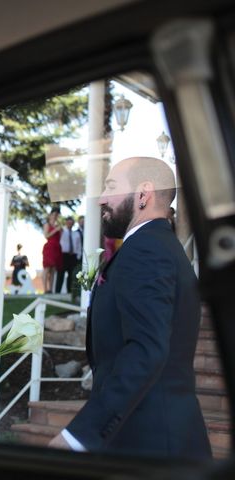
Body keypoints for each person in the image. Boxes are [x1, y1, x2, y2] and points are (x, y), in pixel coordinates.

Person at [48, 157, 211, 458]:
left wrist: (79, 436)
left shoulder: (146, 250)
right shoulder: (159, 247)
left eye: (110, 187)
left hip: (151, 445)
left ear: (143, 193)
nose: (102, 200)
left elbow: (146, 348)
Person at [55, 217, 81, 293]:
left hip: (73, 256)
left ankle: (69, 292)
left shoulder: (76, 234)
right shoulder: (62, 231)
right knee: (61, 274)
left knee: (71, 274)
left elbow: (79, 245)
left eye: (71, 223)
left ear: (73, 224)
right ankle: (57, 291)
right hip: (63, 255)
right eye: (68, 222)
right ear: (66, 223)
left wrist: (78, 256)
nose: (70, 224)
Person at [41, 208, 62, 293]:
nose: (55, 216)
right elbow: (46, 236)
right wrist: (55, 230)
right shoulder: (47, 224)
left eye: (57, 215)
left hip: (57, 248)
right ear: (50, 215)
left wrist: (59, 230)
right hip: (49, 247)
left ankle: (50, 289)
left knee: (53, 269)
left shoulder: (58, 225)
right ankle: (45, 289)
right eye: (54, 214)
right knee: (47, 268)